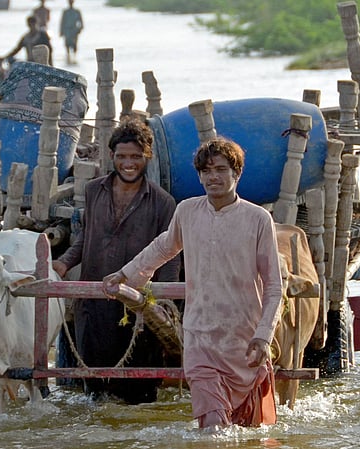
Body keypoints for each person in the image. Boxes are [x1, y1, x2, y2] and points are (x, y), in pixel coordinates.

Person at [103, 138, 284, 428]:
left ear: (236, 173)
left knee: (244, 428)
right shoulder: (187, 211)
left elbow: (274, 285)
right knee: (212, 425)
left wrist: (263, 336)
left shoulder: (258, 219)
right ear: (199, 176)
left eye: (221, 170)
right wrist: (125, 274)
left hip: (243, 337)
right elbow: (164, 246)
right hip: (200, 335)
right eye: (206, 171)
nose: (213, 177)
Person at [53, 118, 180, 404]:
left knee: (138, 397)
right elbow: (86, 237)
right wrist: (63, 263)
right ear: (111, 157)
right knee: (95, 396)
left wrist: (164, 303)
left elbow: (170, 255)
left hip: (138, 311)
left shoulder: (163, 203)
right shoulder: (94, 191)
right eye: (122, 156)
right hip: (95, 304)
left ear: (147, 157)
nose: (128, 163)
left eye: (136, 156)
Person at [59, 0, 83, 64]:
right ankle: (68, 58)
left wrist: (79, 29)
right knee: (67, 45)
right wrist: (61, 31)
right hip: (67, 30)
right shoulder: (65, 12)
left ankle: (74, 58)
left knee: (74, 45)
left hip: (74, 31)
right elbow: (62, 22)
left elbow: (81, 21)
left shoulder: (77, 11)